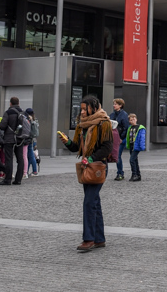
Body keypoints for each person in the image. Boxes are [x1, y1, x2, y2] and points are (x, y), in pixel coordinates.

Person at [59, 94, 113, 251]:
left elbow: (107, 147)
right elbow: (77, 147)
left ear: (94, 108)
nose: (82, 112)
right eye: (81, 109)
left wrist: (91, 158)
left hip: (97, 166)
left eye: (85, 109)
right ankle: (99, 238)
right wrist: (68, 142)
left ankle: (88, 239)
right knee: (94, 201)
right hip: (86, 167)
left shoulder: (103, 123)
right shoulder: (82, 125)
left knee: (89, 202)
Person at [111, 99, 130, 180]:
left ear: (120, 105)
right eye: (114, 104)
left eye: (115, 104)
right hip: (112, 138)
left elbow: (126, 127)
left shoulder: (124, 115)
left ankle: (120, 173)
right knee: (114, 155)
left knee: (118, 155)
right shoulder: (112, 114)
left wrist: (122, 138)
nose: (114, 105)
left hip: (120, 138)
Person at [125, 113, 146, 181]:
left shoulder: (140, 128)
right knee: (135, 160)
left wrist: (141, 146)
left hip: (136, 146)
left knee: (132, 160)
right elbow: (128, 137)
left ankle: (134, 174)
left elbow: (142, 138)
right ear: (129, 121)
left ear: (136, 119)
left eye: (133, 119)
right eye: (131, 120)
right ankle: (137, 174)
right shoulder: (130, 128)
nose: (133, 121)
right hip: (131, 145)